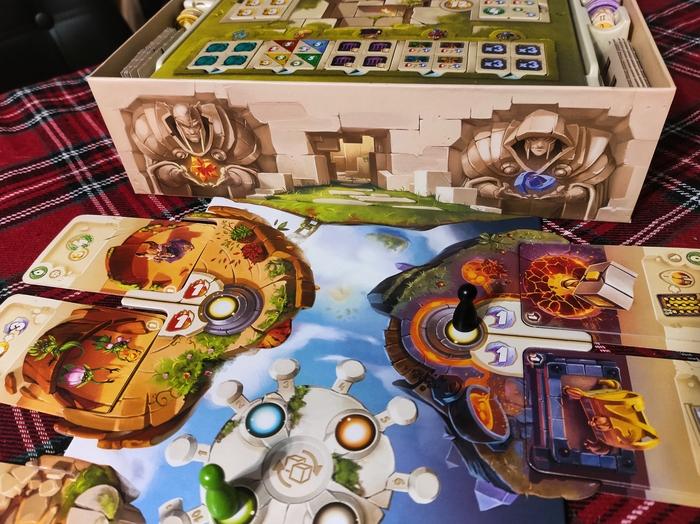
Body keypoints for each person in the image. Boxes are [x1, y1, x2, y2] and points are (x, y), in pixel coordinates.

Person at [461, 109, 615, 219]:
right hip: (506, 215)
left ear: (557, 140)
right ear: (523, 139)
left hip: (552, 218)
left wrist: (566, 196)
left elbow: (585, 189)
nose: (540, 145)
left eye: (548, 140)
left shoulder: (577, 156)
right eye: (534, 139)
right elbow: (477, 184)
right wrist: (496, 192)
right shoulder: (496, 152)